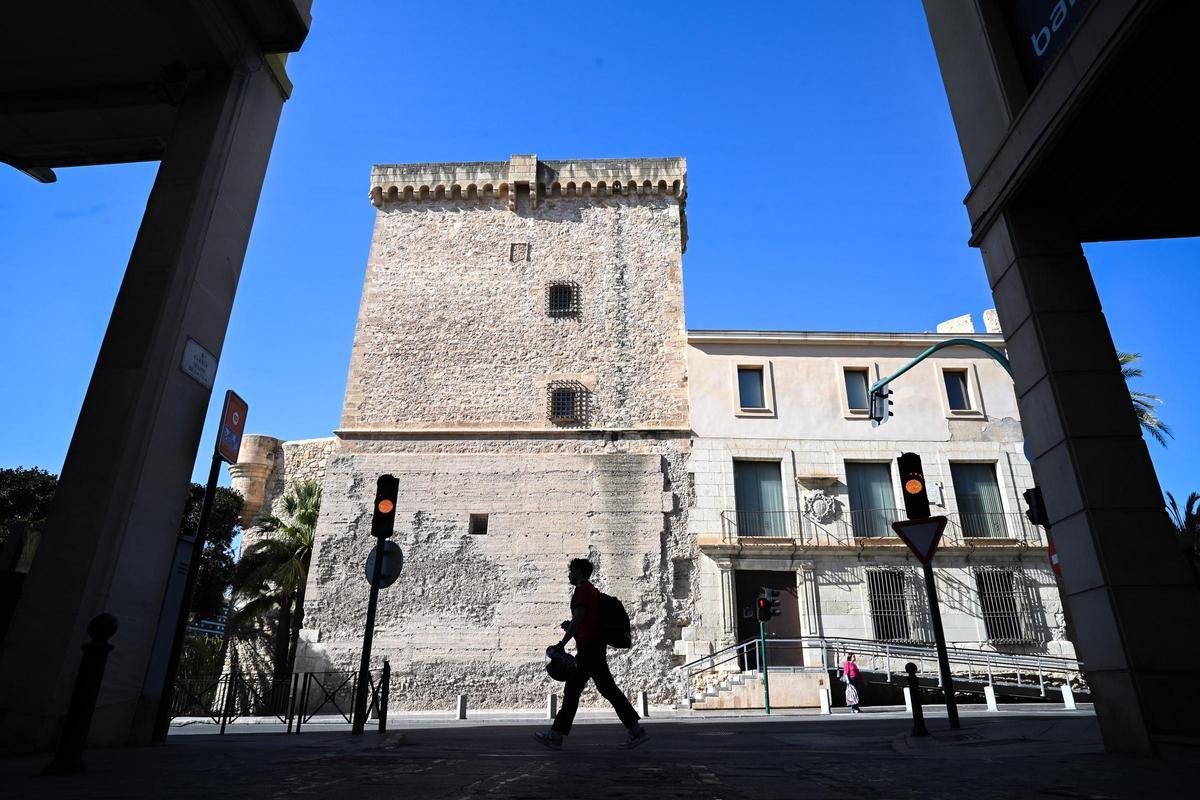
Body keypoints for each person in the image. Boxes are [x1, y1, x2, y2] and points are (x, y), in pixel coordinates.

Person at [535, 558, 648, 750]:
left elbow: (579, 619)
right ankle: (635, 730)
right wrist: (570, 627)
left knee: (577, 691)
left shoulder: (582, 590)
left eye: (571, 571)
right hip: (593, 647)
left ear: (578, 571)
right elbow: (586, 621)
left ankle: (556, 736)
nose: (569, 575)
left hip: (589, 649)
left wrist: (562, 643)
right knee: (603, 689)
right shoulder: (592, 590)